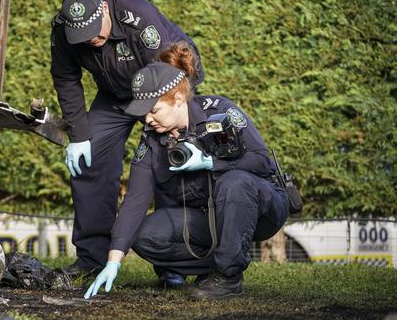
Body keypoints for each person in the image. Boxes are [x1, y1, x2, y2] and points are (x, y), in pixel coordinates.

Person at [84, 42, 290, 300]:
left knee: (234, 182)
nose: (147, 119)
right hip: (210, 218)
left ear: (178, 98)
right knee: (146, 236)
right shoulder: (151, 139)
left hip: (261, 208)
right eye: (143, 113)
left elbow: (262, 162)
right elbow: (135, 199)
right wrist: (114, 260)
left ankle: (228, 278)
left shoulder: (220, 111)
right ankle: (217, 267)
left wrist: (212, 162)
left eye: (154, 110)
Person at [50, 0, 204, 277]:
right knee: (88, 159)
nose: (89, 39)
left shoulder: (139, 19)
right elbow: (66, 78)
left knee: (167, 162)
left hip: (163, 85)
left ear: (105, 8)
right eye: (80, 34)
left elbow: (171, 75)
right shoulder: (63, 29)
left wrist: (162, 123)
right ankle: (92, 259)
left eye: (94, 30)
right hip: (115, 94)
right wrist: (79, 136)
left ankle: (172, 264)